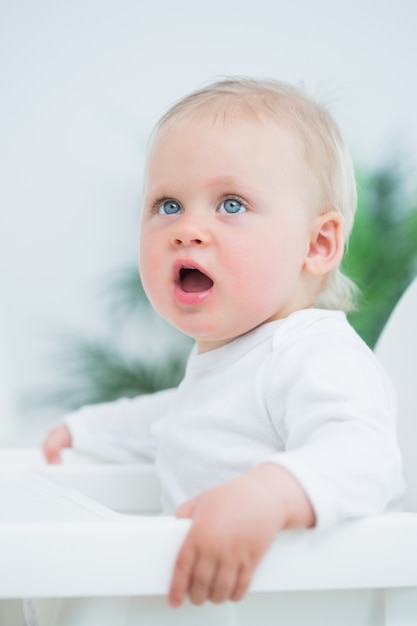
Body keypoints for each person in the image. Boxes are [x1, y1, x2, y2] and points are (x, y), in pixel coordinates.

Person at [43, 77, 405, 608]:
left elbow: (365, 456)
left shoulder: (313, 353)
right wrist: (88, 430)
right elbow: (181, 420)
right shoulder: (237, 361)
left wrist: (269, 494)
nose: (187, 229)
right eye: (168, 205)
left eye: (231, 204)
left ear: (317, 243)